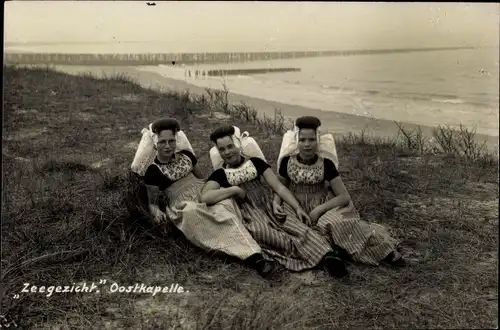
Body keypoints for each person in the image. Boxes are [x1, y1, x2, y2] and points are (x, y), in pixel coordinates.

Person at [200, 125, 349, 278]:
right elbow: (205, 197)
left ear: (238, 144)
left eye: (230, 146)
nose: (228, 152)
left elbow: (279, 187)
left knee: (294, 225)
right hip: (249, 211)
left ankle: (328, 256)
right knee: (264, 232)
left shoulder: (256, 163)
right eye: (222, 149)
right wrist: (234, 190)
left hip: (269, 203)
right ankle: (313, 256)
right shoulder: (220, 173)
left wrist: (297, 207)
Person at [143, 118, 279, 278]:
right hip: (182, 203)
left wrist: (215, 193)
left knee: (224, 206)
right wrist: (156, 211)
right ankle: (253, 258)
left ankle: (253, 247)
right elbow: (152, 202)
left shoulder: (187, 156)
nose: (167, 146)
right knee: (193, 213)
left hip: (202, 191)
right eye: (162, 142)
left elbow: (203, 179)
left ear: (176, 140)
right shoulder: (152, 171)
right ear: (155, 144)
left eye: (171, 141)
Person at [274, 116, 406, 267]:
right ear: (297, 141)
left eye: (311, 140)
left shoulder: (326, 164)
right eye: (302, 140)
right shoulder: (287, 161)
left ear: (318, 141)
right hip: (293, 203)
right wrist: (276, 203)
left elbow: (344, 196)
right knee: (290, 227)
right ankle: (329, 256)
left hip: (321, 203)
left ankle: (384, 252)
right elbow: (280, 186)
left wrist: (318, 210)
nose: (307, 145)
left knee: (335, 223)